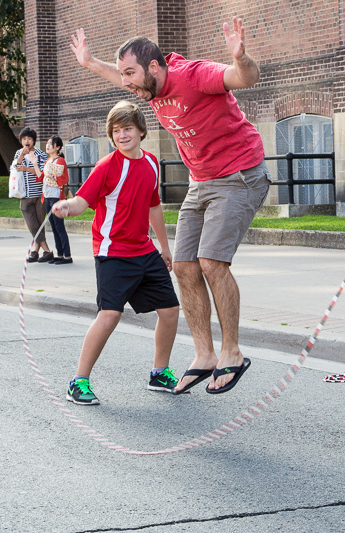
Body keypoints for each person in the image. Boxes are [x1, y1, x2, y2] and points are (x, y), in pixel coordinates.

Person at [70, 17, 271, 394]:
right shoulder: (149, 87)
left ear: (154, 67)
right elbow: (120, 78)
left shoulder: (194, 76)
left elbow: (244, 78)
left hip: (240, 173)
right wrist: (91, 64)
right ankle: (204, 354)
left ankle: (231, 352)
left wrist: (241, 57)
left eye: (130, 73)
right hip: (202, 179)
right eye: (123, 75)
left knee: (211, 261)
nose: (125, 82)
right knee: (183, 266)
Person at [52, 101, 180, 405]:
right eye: (116, 130)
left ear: (140, 131)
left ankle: (159, 373)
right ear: (111, 136)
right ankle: (78, 382)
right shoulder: (107, 165)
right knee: (109, 315)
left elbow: (154, 205)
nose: (122, 135)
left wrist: (164, 246)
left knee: (171, 310)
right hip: (113, 251)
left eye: (127, 129)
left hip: (144, 249)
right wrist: (67, 207)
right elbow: (83, 200)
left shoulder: (150, 163)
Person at [12, 127, 54, 263]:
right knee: (32, 224)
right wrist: (22, 156)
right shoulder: (19, 153)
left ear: (33, 140)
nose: (26, 141)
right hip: (24, 195)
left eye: (29, 139)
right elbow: (14, 169)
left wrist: (26, 168)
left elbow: (41, 174)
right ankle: (47, 250)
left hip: (39, 195)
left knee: (39, 224)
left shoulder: (41, 154)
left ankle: (35, 252)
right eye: (24, 139)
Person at [41, 135, 72, 264]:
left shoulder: (60, 161)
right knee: (53, 227)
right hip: (47, 196)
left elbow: (64, 179)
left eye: (51, 143)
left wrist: (51, 175)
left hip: (55, 196)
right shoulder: (48, 161)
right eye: (47, 143)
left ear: (57, 147)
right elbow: (41, 177)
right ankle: (59, 254)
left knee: (59, 226)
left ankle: (67, 256)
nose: (47, 145)